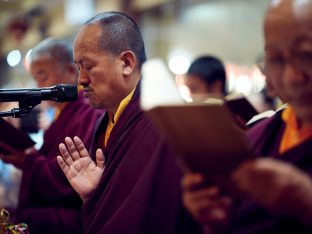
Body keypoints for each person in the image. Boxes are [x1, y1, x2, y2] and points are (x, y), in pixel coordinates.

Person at [56, 12, 200, 233]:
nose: (81, 79)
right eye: (78, 67)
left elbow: (155, 215)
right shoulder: (108, 121)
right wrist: (93, 195)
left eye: (89, 66)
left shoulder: (161, 122)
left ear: (126, 62)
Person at [181, 0, 312, 233]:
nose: (292, 77)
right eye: (276, 60)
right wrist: (218, 219)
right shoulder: (262, 134)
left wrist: (306, 201)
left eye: (306, 55)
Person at [0, 38, 103, 234]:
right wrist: (24, 158)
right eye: (35, 78)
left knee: (24, 219)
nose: (38, 86)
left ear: (71, 72)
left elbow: (65, 179)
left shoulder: (88, 111)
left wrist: (28, 159)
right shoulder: (62, 111)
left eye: (43, 75)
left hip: (73, 212)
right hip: (52, 203)